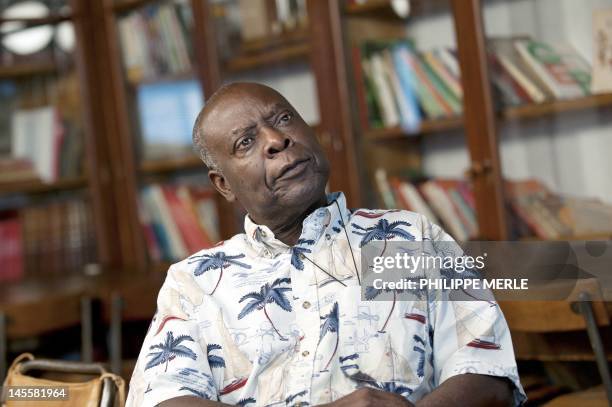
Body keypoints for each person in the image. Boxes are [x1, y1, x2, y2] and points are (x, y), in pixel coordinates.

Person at [127, 83, 526, 407]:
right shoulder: (194, 282)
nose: (276, 140)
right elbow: (165, 399)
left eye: (284, 119)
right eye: (246, 142)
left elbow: (488, 376)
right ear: (223, 184)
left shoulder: (409, 238)